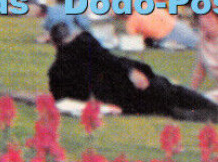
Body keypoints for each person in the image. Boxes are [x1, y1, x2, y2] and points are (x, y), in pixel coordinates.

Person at [46, 17, 217, 121]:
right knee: (173, 92)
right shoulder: (84, 41)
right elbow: (108, 59)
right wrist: (130, 71)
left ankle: (198, 114)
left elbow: (68, 100)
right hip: (126, 83)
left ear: (54, 43)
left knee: (164, 106)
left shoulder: (56, 71)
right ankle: (211, 111)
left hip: (119, 101)